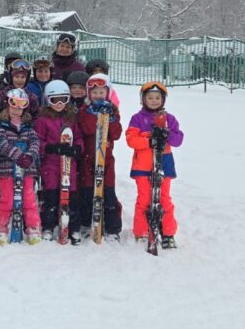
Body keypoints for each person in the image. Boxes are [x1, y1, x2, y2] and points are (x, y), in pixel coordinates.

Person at [126, 82, 184, 249]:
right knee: (144, 198)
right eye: (150, 97)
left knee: (164, 199)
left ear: (163, 100)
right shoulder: (137, 118)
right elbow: (131, 140)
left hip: (164, 163)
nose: (154, 101)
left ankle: (168, 233)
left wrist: (167, 135)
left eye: (158, 98)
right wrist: (148, 141)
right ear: (143, 99)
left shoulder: (169, 119)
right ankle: (142, 231)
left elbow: (178, 140)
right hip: (143, 166)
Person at [75, 74, 123, 244]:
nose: (98, 95)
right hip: (88, 158)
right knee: (88, 193)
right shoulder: (84, 110)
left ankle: (112, 229)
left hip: (106, 159)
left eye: (101, 92)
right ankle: (86, 224)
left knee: (108, 193)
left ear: (107, 93)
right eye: (94, 92)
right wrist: (93, 114)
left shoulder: (112, 109)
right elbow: (87, 129)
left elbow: (116, 134)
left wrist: (110, 118)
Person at [0, 88, 42, 245]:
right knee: (7, 200)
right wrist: (18, 155)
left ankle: (33, 227)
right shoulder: (1, 127)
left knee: (29, 200)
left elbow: (35, 143)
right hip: (6, 170)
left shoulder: (29, 127)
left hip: (27, 171)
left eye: (21, 106)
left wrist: (29, 156)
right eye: (13, 105)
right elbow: (1, 144)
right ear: (7, 105)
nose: (16, 109)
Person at [34, 80, 83, 242]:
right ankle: (48, 226)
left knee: (72, 197)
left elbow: (79, 137)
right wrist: (50, 148)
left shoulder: (71, 119)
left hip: (69, 165)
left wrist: (76, 148)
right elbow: (38, 140)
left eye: (63, 99)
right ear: (48, 100)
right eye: (55, 100)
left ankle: (73, 228)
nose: (59, 104)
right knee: (51, 196)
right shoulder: (43, 119)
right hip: (51, 165)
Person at [0, 59, 40, 126]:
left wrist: (27, 126)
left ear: (27, 79)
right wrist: (3, 124)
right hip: (3, 131)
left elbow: (36, 116)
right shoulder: (2, 95)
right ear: (11, 78)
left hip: (24, 131)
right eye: (16, 77)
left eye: (23, 77)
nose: (19, 80)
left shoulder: (31, 97)